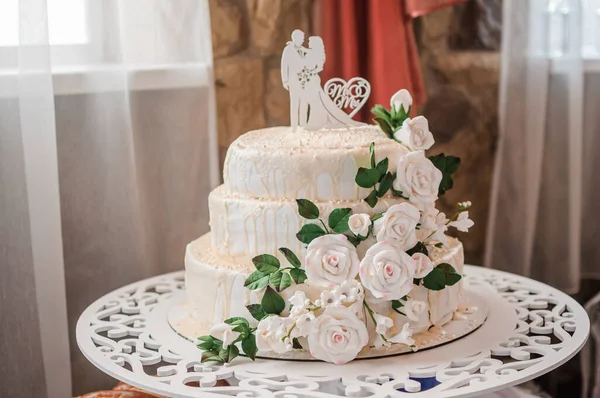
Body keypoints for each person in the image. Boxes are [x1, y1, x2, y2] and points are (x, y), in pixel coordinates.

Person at [281, 29, 308, 130]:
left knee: (304, 102)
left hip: (303, 82)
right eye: (301, 38)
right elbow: (284, 65)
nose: (302, 40)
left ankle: (303, 123)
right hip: (293, 81)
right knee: (295, 103)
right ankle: (295, 125)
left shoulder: (302, 50)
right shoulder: (288, 50)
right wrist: (285, 80)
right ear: (295, 38)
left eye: (303, 38)